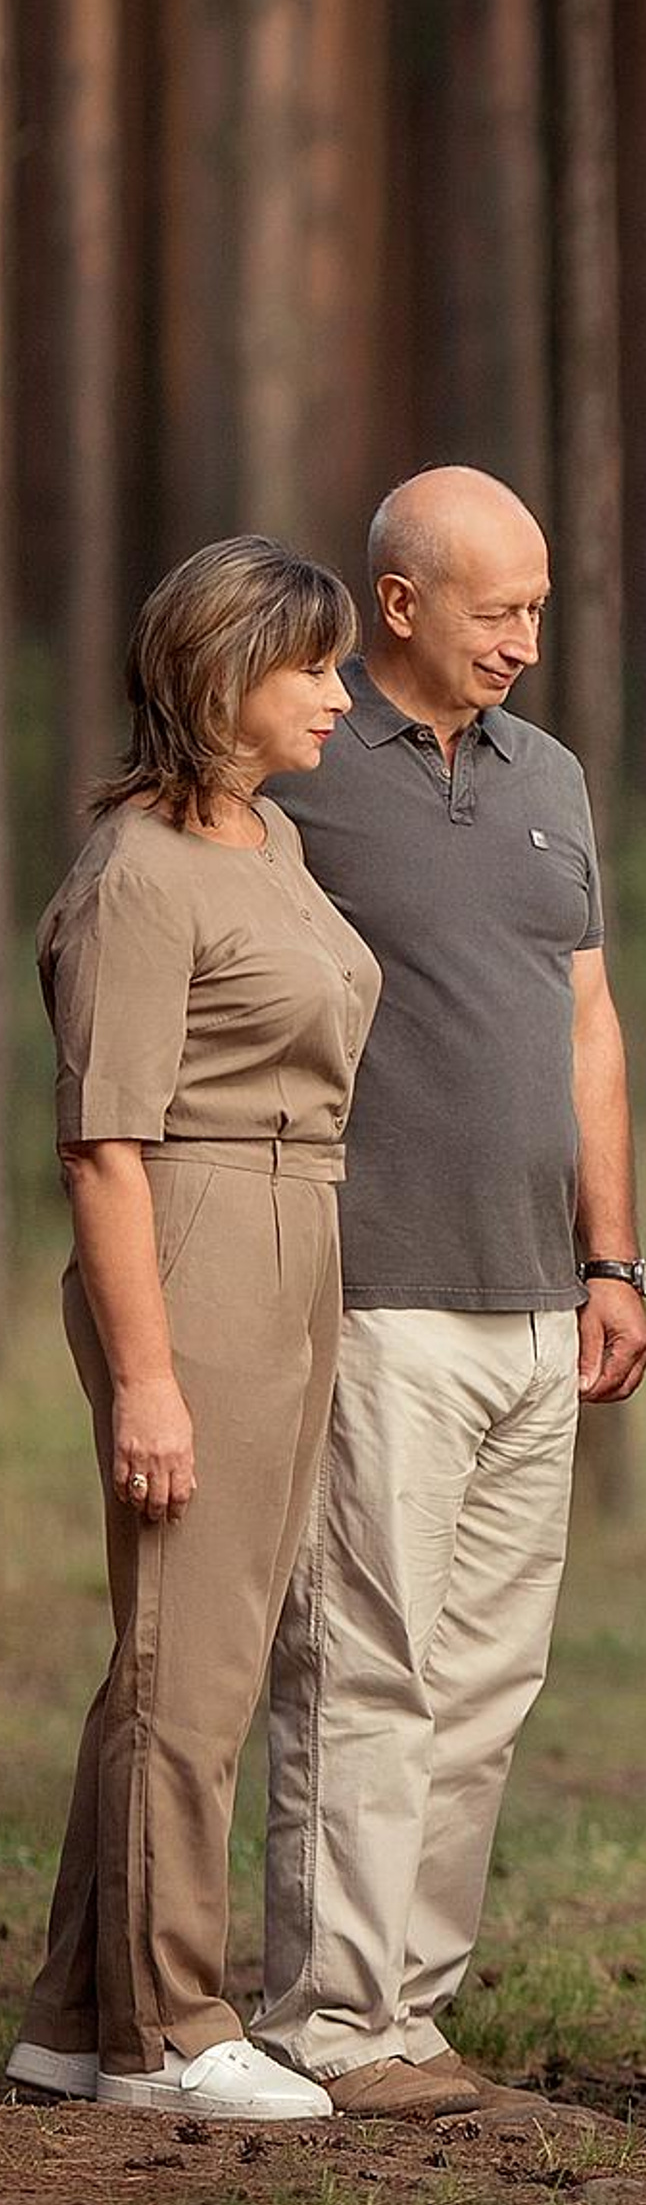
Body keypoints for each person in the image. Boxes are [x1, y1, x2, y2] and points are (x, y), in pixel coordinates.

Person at [251, 467, 646, 2122]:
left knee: (487, 1674)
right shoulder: (299, 761)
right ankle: (327, 2014)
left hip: (537, 1300)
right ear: (399, 603)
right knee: (366, 1655)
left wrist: (613, 1258)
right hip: (378, 1288)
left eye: (541, 609)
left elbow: (590, 1025)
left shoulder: (546, 772)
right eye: (501, 611)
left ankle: (410, 2010)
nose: (528, 643)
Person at [5, 539, 378, 2122]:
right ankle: (174, 2028)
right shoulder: (136, 876)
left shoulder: (270, 841)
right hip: (197, 1239)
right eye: (317, 671)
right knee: (194, 1651)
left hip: (301, 1230)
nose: (342, 699)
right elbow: (105, 1147)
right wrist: (148, 1378)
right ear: (229, 676)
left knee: (185, 1643)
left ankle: (79, 2019)